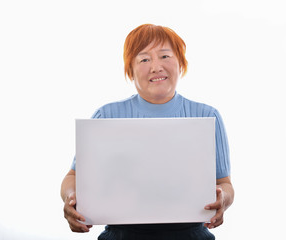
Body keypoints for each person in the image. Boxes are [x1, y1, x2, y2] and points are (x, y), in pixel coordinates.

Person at [61, 23, 234, 240]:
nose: (156, 67)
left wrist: (223, 199)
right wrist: (71, 199)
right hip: (121, 234)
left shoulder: (208, 115)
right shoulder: (106, 116)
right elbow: (73, 178)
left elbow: (224, 183)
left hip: (191, 234)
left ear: (181, 63)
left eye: (164, 56)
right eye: (144, 59)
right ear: (130, 70)